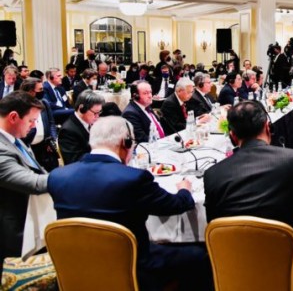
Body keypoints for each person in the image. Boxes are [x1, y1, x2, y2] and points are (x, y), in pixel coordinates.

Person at [48, 116, 211, 291]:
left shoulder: (57, 177)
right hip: (132, 266)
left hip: (76, 265)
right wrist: (185, 189)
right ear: (125, 143)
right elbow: (175, 206)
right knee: (199, 255)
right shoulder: (133, 178)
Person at [203, 101, 293, 291]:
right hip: (291, 267)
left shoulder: (212, 174)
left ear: (233, 136)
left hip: (234, 269)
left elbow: (215, 222)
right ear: (268, 127)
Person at [0, 92, 48, 277]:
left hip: (28, 217)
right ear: (13, 117)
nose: (34, 125)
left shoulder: (14, 139)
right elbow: (33, 182)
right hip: (12, 227)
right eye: (31, 120)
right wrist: (71, 177)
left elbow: (39, 170)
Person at [20, 78, 59, 171]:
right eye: (40, 89)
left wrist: (52, 139)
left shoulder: (44, 103)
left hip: (45, 146)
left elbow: (51, 123)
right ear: (30, 91)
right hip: (28, 147)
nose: (43, 92)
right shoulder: (19, 106)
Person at [58, 90, 105, 164]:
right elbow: (74, 161)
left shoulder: (90, 122)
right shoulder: (68, 131)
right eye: (95, 113)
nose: (97, 116)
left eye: (99, 112)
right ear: (81, 109)